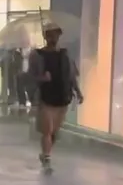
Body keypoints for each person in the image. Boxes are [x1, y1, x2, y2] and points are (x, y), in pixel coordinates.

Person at [26, 23, 84, 171]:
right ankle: (46, 157)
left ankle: (45, 152)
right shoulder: (37, 55)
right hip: (45, 97)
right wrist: (42, 78)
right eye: (50, 34)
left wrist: (78, 91)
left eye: (56, 34)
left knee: (54, 132)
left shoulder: (65, 54)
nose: (53, 37)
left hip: (63, 97)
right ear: (45, 36)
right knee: (47, 130)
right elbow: (30, 76)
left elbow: (71, 75)